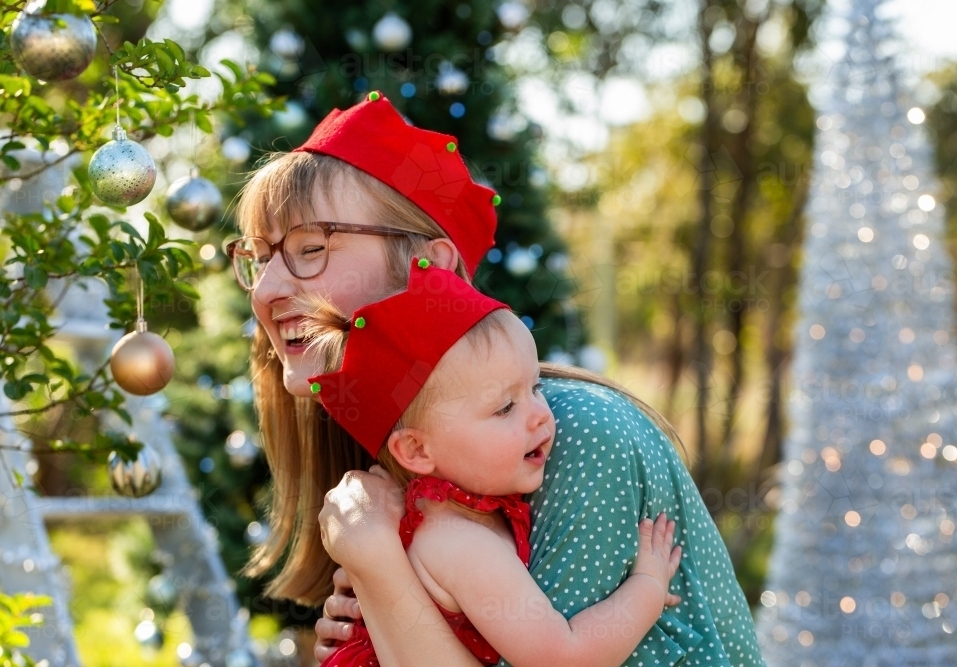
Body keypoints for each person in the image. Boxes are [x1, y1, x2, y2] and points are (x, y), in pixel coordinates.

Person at [229, 90, 764, 667]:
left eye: (310, 248)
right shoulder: (409, 471)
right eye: (258, 258)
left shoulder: (574, 438)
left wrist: (382, 568)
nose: (264, 290)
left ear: (429, 267)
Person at [307, 259, 683, 666]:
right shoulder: (460, 543)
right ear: (416, 451)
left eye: (535, 386)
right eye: (505, 407)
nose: (541, 414)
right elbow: (563, 657)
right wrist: (647, 586)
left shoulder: (457, 516)